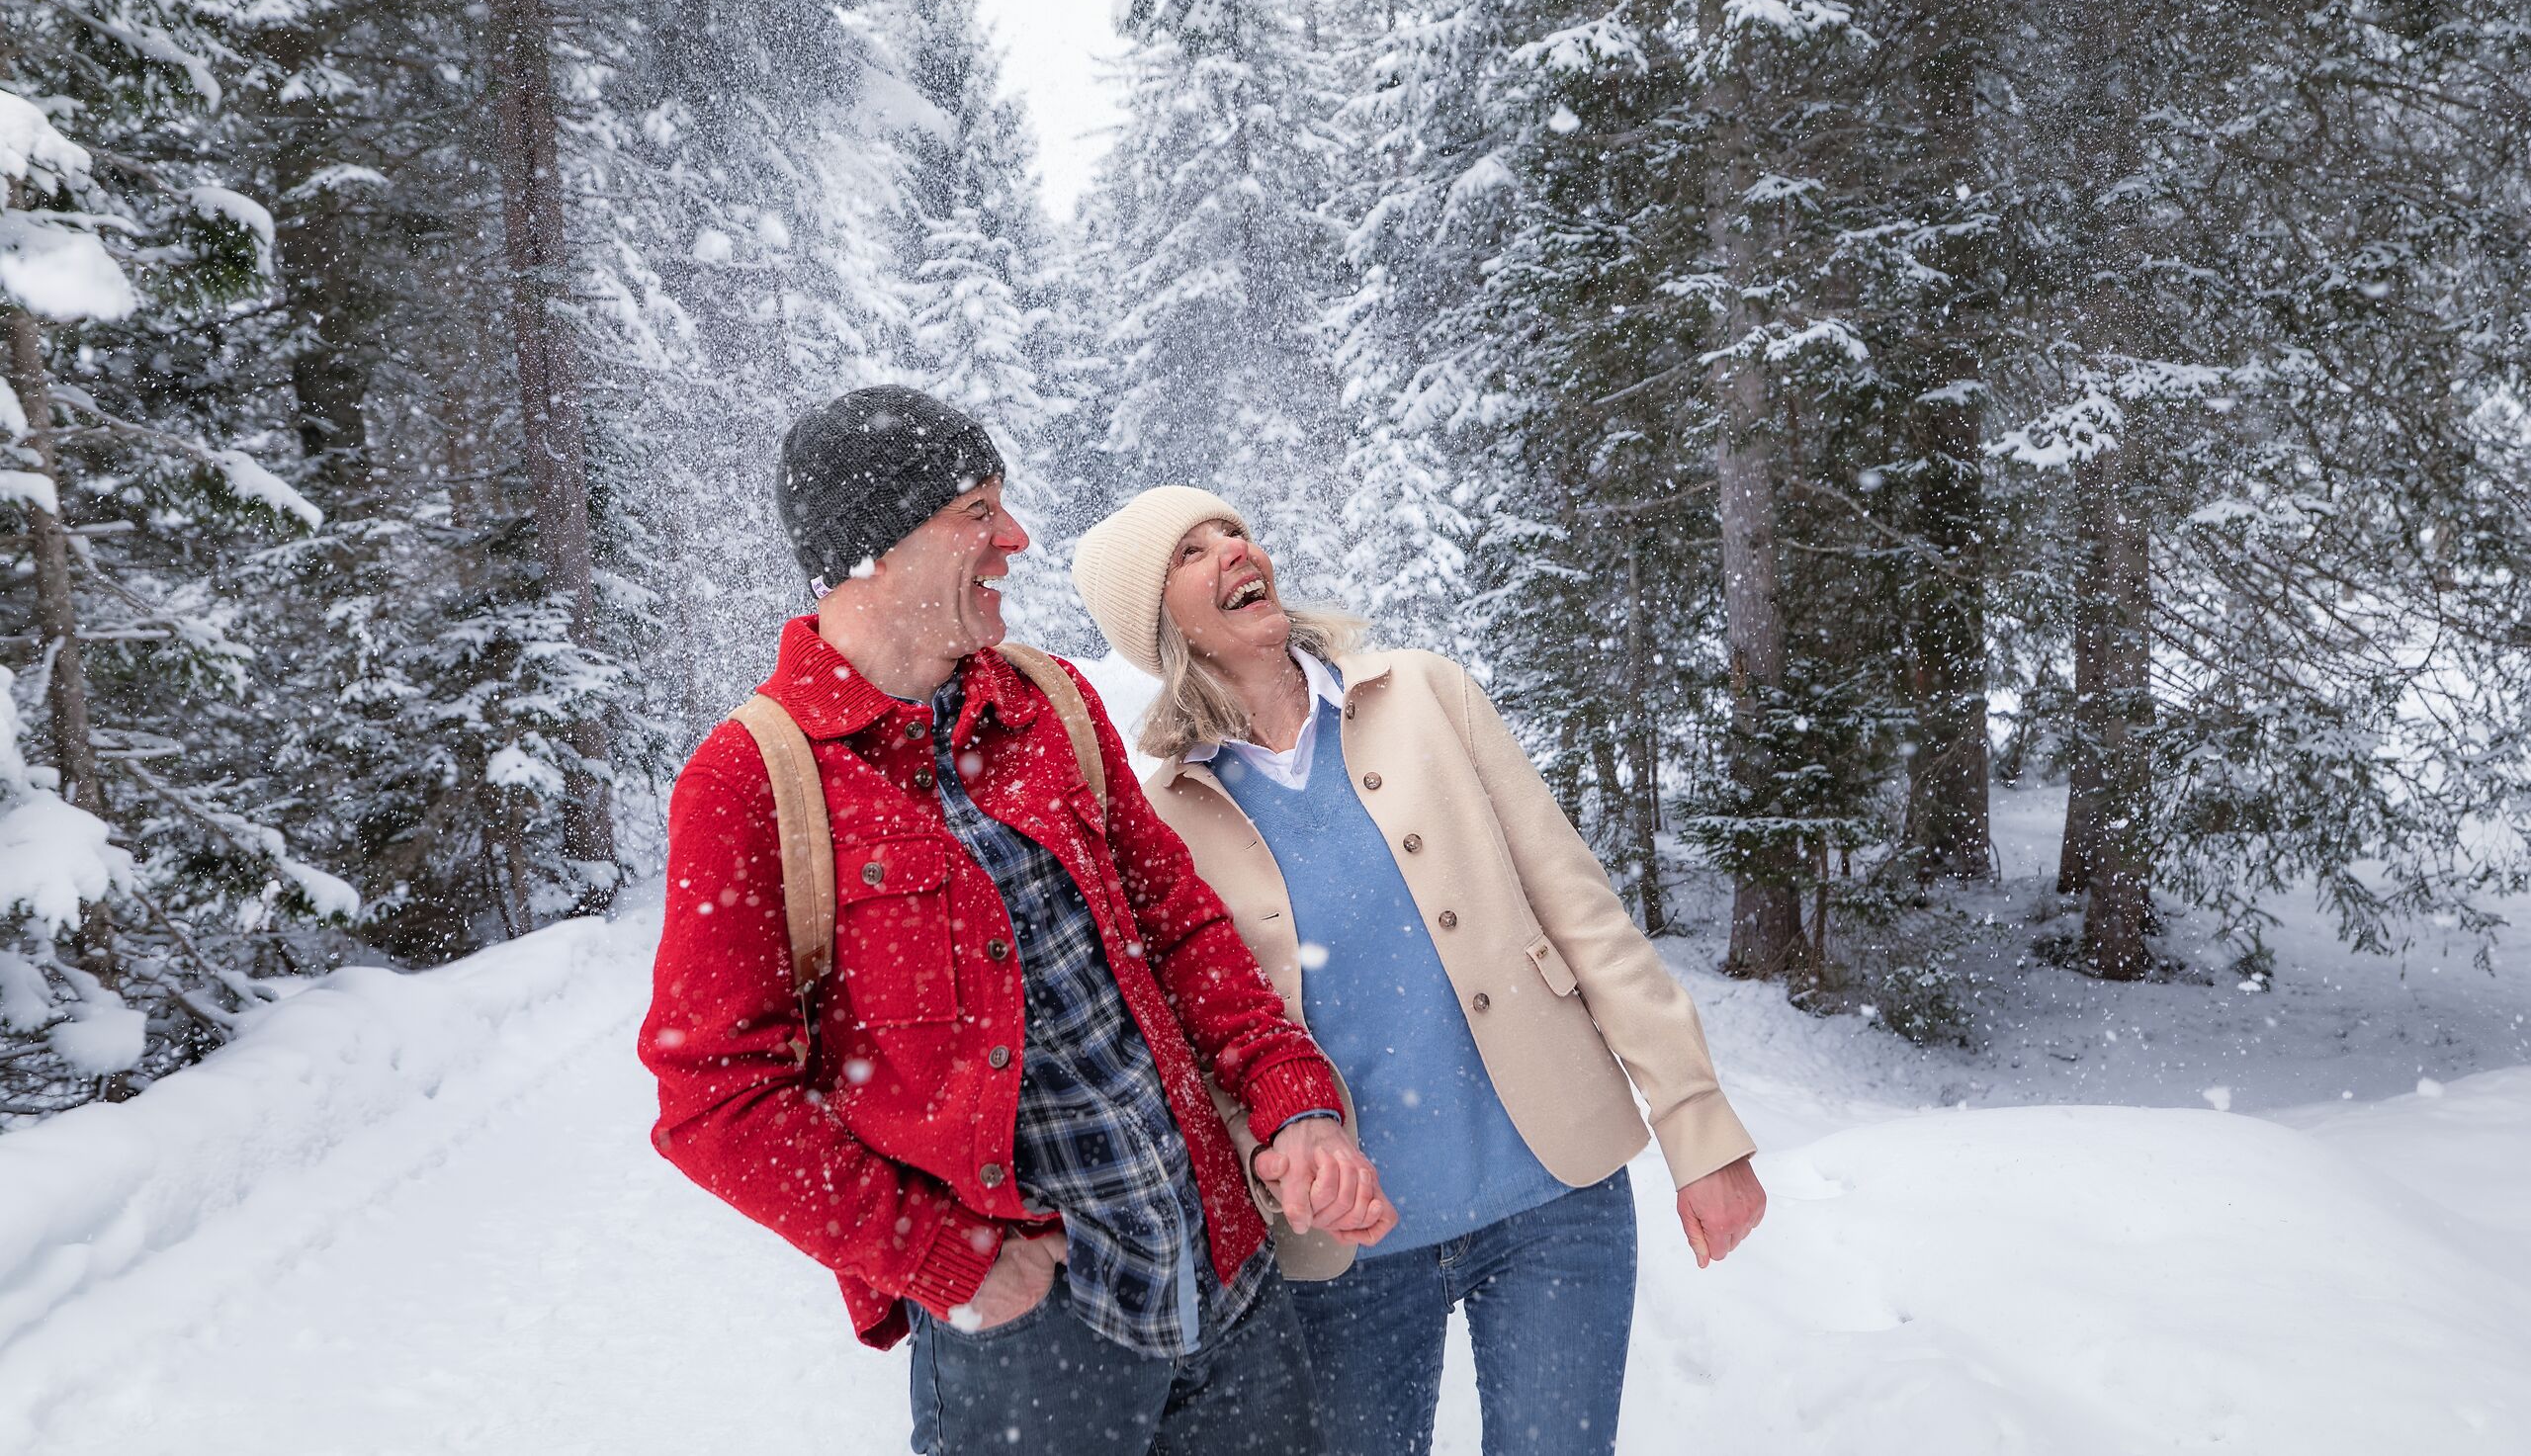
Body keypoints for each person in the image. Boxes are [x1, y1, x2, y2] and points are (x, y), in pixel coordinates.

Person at [639, 394, 1392, 1456]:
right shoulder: (752, 779)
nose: (1014, 539)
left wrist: (1292, 1099)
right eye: (976, 511)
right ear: (876, 550)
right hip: (1030, 1349)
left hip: (1226, 1276)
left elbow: (1178, 931)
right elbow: (712, 1097)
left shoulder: (1046, 701)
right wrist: (940, 1255)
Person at [1071, 485, 1769, 1456]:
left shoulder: (1425, 695)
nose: (1234, 550)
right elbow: (1206, 1051)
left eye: (1233, 530)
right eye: (1192, 552)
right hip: (1350, 1258)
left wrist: (1698, 1128)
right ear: (1157, 622)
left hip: (1551, 1205)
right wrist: (1273, 1172)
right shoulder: (1167, 817)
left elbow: (1582, 913)